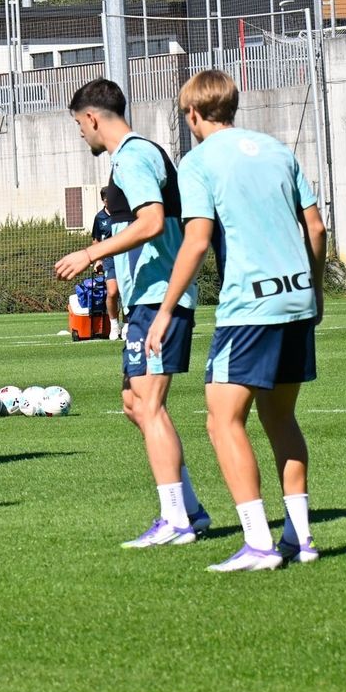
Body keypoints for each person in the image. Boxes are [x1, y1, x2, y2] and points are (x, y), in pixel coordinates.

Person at [145, 69, 326, 573]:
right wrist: (314, 289)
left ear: (194, 114)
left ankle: (259, 544)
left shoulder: (198, 162)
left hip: (249, 307)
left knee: (221, 419)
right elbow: (314, 226)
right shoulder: (276, 150)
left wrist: (164, 311)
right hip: (296, 301)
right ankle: (301, 538)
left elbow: (197, 240)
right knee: (280, 418)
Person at [54, 78, 211, 548]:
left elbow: (152, 221)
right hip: (146, 296)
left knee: (150, 405)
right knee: (133, 404)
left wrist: (89, 252)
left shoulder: (133, 157)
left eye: (79, 126)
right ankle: (191, 510)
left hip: (161, 298)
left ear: (92, 118)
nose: (82, 136)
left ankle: (175, 521)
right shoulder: (132, 156)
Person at [91, 186, 123, 339]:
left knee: (127, 291)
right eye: (106, 199)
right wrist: (97, 259)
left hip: (125, 256)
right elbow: (96, 240)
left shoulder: (123, 214)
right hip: (109, 258)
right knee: (112, 291)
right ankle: (114, 325)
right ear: (103, 200)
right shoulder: (99, 218)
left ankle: (128, 325)